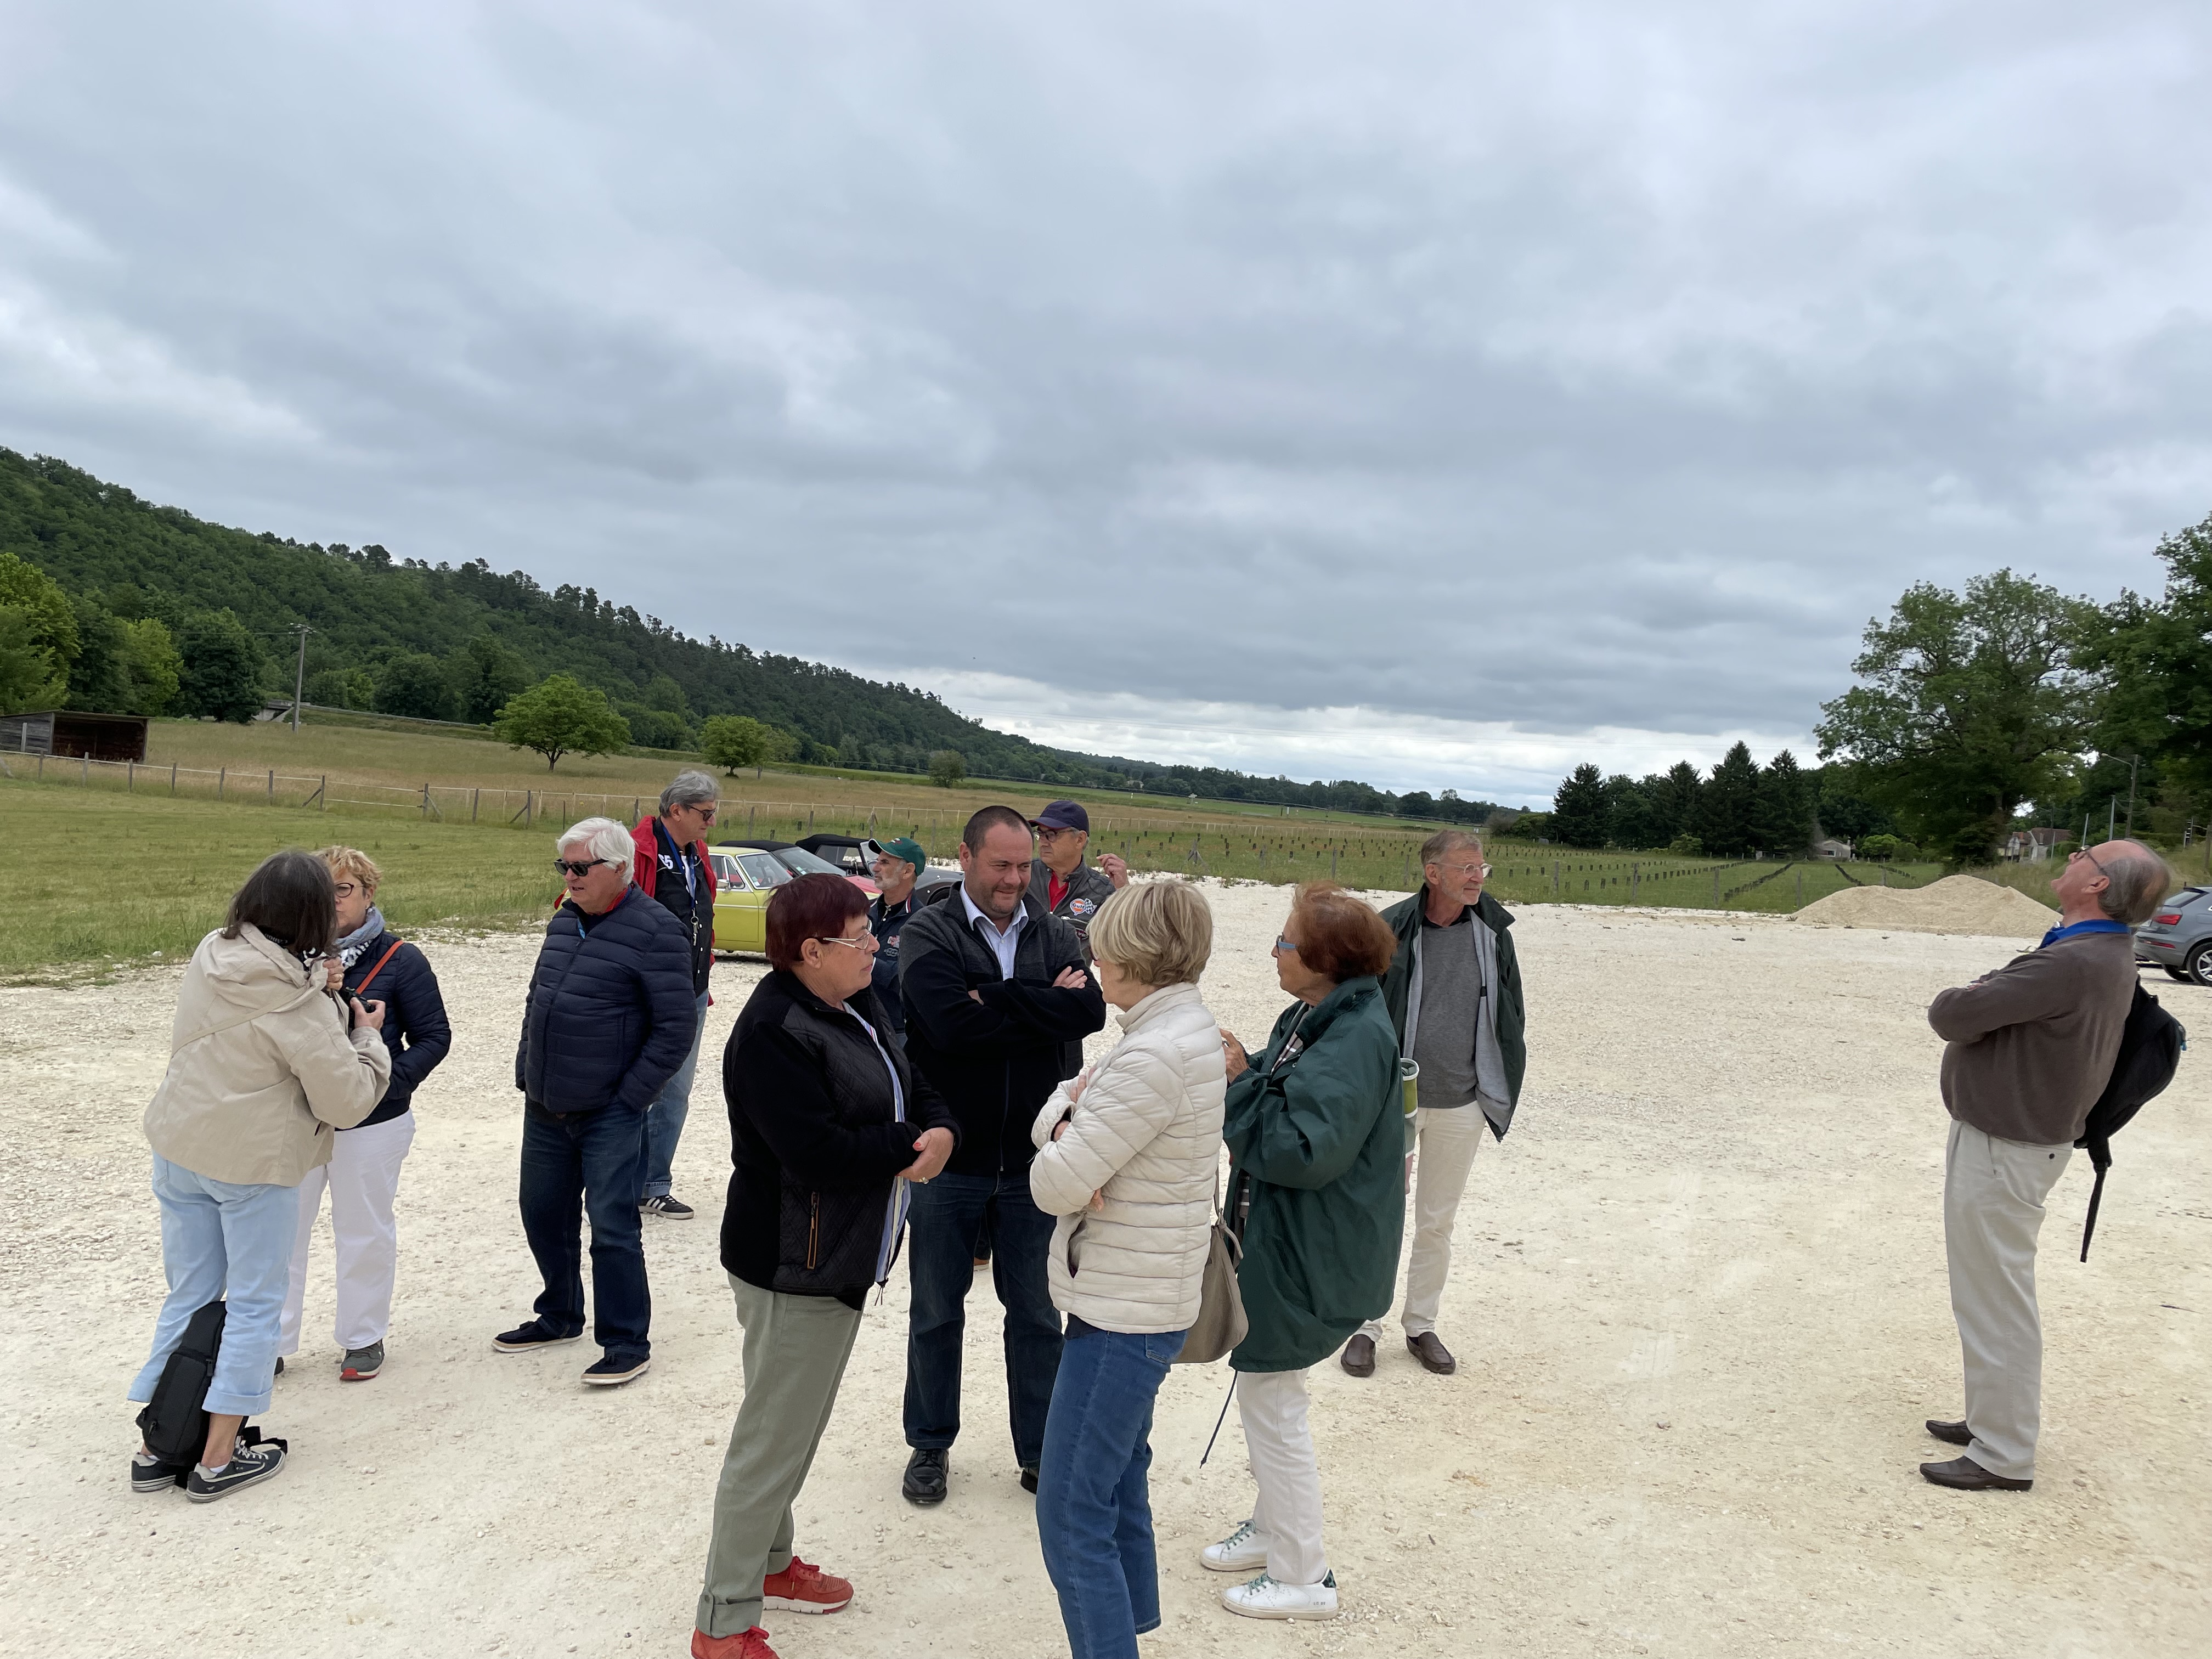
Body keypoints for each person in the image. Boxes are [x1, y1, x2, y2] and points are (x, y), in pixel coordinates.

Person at [691, 874, 958, 1659]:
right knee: (771, 1443)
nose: (876, 946)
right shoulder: (773, 1031)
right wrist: (911, 1145)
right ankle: (723, 1624)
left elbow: (910, 1076)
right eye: (859, 936)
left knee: (788, 1430)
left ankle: (771, 1565)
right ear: (810, 950)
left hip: (834, 1259)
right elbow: (813, 1152)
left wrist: (941, 1126)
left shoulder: (853, 1000)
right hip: (791, 1266)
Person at [131, 850, 392, 1501]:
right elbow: (346, 1102)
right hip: (251, 1163)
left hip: (180, 1143)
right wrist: (365, 1036)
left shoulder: (211, 952)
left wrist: (316, 980)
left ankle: (156, 1443)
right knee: (253, 1305)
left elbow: (269, 975)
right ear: (312, 917)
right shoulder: (300, 1006)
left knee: (190, 1296)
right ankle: (218, 1456)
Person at [1919, 839, 2168, 1492]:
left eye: (2087, 854)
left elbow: (1952, 1014)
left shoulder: (2073, 960)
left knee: (1996, 1300)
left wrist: (1978, 991)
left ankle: (2003, 1453)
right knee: (1986, 1293)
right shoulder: (2094, 950)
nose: (2075, 856)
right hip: (2015, 1140)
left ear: (2099, 885)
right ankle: (1991, 1420)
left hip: (2007, 1146)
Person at [1030, 881, 1226, 1659]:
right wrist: (1069, 1124)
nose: (1094, 962)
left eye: (1104, 949)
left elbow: (1053, 1187)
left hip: (1122, 1309)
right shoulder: (1181, 1029)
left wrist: (1065, 1136)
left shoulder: (1149, 1055)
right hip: (1146, 1291)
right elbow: (1062, 1110)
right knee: (1118, 1476)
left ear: (1139, 958)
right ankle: (1132, 1620)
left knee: (1070, 1509)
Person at [895, 804, 1108, 1505]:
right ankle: (930, 1444)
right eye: (1001, 865)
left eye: (1024, 866)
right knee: (935, 1312)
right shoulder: (929, 930)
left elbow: (1090, 1013)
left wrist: (995, 996)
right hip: (948, 1157)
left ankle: (1041, 1451)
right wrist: (1042, 1003)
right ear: (965, 857)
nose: (1016, 879)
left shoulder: (1055, 932)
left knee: (1039, 1316)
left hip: (1033, 1162)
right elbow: (948, 1027)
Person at [1203, 882, 1402, 1619]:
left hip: (1314, 1249)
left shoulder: (1356, 1039)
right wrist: (1245, 1068)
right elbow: (1281, 1089)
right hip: (1287, 1238)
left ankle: (1303, 1574)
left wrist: (1237, 1084)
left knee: (1272, 1398)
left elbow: (1301, 1150)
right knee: (1268, 1386)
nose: (1275, 951)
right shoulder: (1313, 1016)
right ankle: (1273, 1527)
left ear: (1327, 959)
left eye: (1287, 942)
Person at [498, 817, 697, 1387]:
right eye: (564, 866)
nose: (569, 876)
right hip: (546, 1105)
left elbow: (675, 1029)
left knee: (612, 1228)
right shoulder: (564, 919)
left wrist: (631, 1098)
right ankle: (560, 1315)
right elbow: (538, 998)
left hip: (609, 1111)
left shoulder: (657, 930)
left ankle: (626, 1342)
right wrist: (527, 1068)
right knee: (542, 1213)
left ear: (619, 868)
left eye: (580, 867)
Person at [1345, 828, 1526, 1378]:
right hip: (1393, 1101)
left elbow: (1512, 1011)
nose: (1477, 877)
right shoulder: (1390, 929)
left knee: (1436, 1223)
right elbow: (1357, 1007)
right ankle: (1363, 1327)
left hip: (1462, 1103)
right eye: (1466, 868)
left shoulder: (1494, 932)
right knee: (1379, 1216)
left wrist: (1499, 1079)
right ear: (1433, 873)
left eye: (1481, 868)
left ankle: (1421, 1325)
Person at [278, 845, 452, 1383]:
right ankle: (268, 1342)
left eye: (344, 889)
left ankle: (362, 1337)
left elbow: (434, 1037)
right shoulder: (284, 956)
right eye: (321, 890)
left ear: (369, 893)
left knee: (363, 1231)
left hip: (373, 1123)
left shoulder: (400, 959)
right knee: (280, 1233)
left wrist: (382, 1085)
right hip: (299, 1119)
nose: (332, 901)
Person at [632, 771, 721, 1218]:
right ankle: (616, 1182)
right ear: (676, 810)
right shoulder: (636, 850)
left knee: (677, 1091)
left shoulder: (697, 853)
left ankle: (654, 1184)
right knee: (636, 1087)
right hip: (646, 992)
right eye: (705, 814)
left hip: (692, 991)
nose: (711, 822)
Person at [1026, 800, 1130, 960]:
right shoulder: (1023, 875)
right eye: (1040, 834)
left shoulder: (1102, 892)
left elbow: (1128, 943)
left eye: (1051, 835)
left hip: (1073, 975)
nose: (1043, 842)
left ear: (1080, 839)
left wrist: (1124, 892)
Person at [862, 836, 930, 1041]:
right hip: (855, 1022)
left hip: (895, 1032)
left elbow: (912, 981)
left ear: (907, 871)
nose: (875, 869)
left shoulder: (923, 923)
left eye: (884, 863)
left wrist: (867, 963)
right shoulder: (863, 912)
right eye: (876, 861)